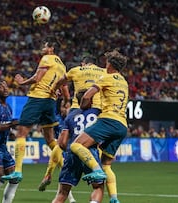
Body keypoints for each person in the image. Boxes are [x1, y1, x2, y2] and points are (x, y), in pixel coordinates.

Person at [2, 37, 69, 182]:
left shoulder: (46, 58)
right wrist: (66, 101)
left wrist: (22, 82)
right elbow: (64, 87)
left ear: (51, 48)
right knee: (50, 139)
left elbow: (37, 78)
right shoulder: (62, 66)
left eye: (45, 46)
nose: (42, 48)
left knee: (21, 133)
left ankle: (18, 171)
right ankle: (66, 169)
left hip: (37, 98)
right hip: (51, 102)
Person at [70, 49, 129, 203]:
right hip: (122, 126)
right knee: (107, 164)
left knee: (76, 145)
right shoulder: (124, 81)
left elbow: (87, 95)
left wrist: (83, 107)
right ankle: (114, 198)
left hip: (108, 120)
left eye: (106, 61)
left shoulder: (106, 78)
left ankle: (96, 171)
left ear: (110, 64)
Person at [38, 55, 105, 191]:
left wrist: (55, 90)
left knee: (63, 143)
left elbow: (61, 80)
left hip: (77, 110)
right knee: (93, 144)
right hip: (97, 110)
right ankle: (99, 172)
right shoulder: (104, 72)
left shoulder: (76, 70)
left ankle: (49, 174)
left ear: (83, 63)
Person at [52, 89, 104, 203]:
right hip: (90, 152)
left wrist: (70, 152)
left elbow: (62, 143)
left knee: (63, 193)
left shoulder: (70, 116)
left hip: (72, 152)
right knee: (98, 187)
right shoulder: (98, 112)